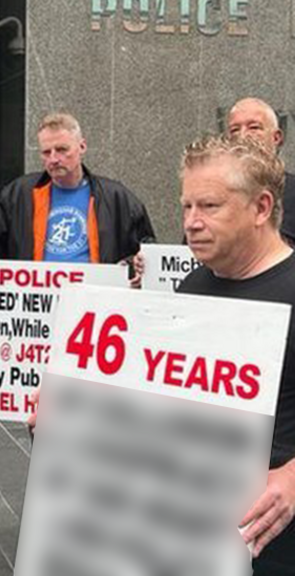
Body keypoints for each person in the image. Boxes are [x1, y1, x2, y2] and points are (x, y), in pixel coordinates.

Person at [171, 134, 295, 575]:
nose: (191, 222)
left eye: (209, 207)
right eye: (186, 207)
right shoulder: (191, 287)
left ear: (261, 208)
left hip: (277, 541)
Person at [0, 112, 154, 286]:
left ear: (82, 147)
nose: (53, 159)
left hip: (92, 309)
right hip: (35, 309)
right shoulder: (19, 194)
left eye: (62, 150)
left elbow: (147, 251)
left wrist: (135, 266)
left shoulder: (115, 196)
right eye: (46, 152)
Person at [226, 97, 295, 243]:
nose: (243, 136)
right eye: (235, 130)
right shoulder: (214, 192)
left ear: (276, 138)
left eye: (254, 127)